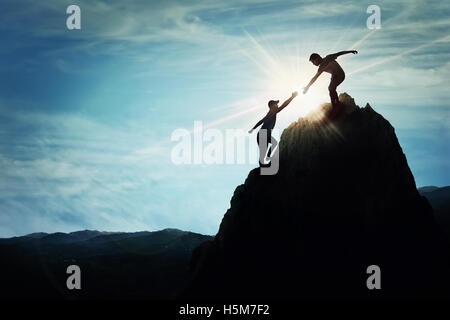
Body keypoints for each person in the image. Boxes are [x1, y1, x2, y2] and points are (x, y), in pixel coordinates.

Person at [303, 50, 358, 119]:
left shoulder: (329, 57)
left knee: (331, 87)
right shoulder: (321, 68)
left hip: (340, 75)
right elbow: (315, 78)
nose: (314, 64)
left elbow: (339, 53)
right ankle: (335, 105)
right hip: (334, 77)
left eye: (313, 62)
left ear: (317, 58)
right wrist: (307, 87)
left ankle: (337, 106)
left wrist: (351, 51)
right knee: (330, 88)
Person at [249, 91, 298, 166]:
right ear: (272, 106)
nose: (278, 105)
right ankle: (265, 160)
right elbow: (284, 105)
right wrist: (292, 97)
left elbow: (261, 121)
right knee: (269, 147)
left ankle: (267, 158)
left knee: (272, 144)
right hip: (263, 134)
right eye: (276, 104)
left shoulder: (271, 112)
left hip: (262, 134)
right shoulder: (272, 111)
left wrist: (253, 129)